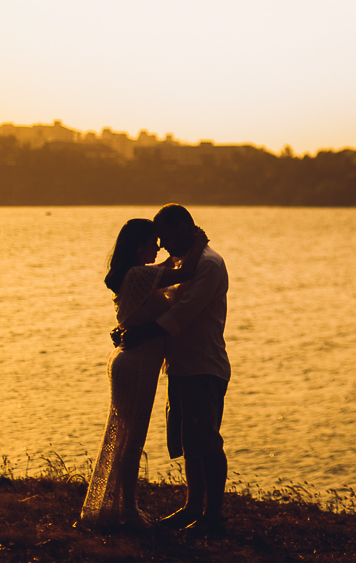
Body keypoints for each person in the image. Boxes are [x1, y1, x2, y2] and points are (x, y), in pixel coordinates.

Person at [80, 218, 208, 529]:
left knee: (125, 437)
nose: (159, 248)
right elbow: (187, 272)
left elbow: (167, 265)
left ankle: (115, 507)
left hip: (134, 361)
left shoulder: (139, 273)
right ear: (140, 248)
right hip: (136, 364)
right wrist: (199, 243)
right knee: (131, 441)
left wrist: (181, 249)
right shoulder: (139, 275)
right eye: (154, 243)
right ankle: (127, 512)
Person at [114, 203, 231, 538]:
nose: (162, 245)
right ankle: (192, 507)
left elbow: (182, 314)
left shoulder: (209, 264)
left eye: (164, 236)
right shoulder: (181, 263)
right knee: (188, 441)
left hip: (202, 366)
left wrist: (138, 333)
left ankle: (213, 515)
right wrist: (128, 327)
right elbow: (150, 301)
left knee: (207, 440)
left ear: (182, 229)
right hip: (179, 367)